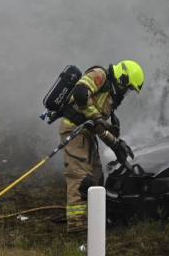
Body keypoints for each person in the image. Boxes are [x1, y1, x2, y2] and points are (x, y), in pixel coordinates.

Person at [59, 60, 144, 231]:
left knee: (97, 176)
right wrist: (98, 118)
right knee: (80, 176)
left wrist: (117, 145)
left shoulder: (109, 95)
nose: (126, 93)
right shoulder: (100, 75)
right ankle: (77, 225)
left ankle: (94, 218)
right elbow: (81, 92)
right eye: (128, 88)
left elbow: (99, 128)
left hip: (87, 135)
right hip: (74, 131)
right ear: (122, 79)